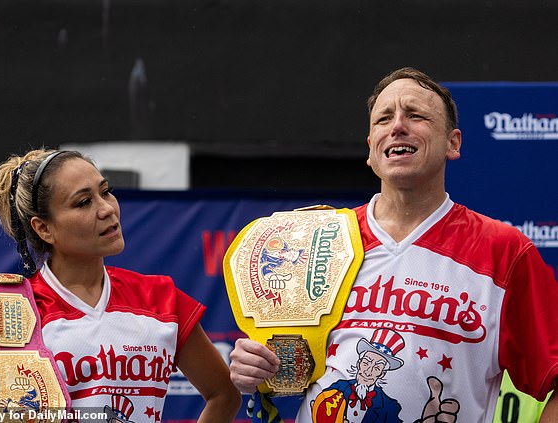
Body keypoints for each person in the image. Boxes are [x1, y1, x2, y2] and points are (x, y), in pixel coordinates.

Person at [228, 67, 558, 422]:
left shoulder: (505, 252)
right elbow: (286, 375)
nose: (397, 125)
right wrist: (256, 370)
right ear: (370, 150)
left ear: (453, 143)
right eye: (384, 118)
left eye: (415, 115)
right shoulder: (319, 240)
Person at [0, 149, 241, 422]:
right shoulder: (4, 309)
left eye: (106, 191)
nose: (107, 209)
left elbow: (223, 394)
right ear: (44, 228)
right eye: (84, 202)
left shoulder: (160, 299)